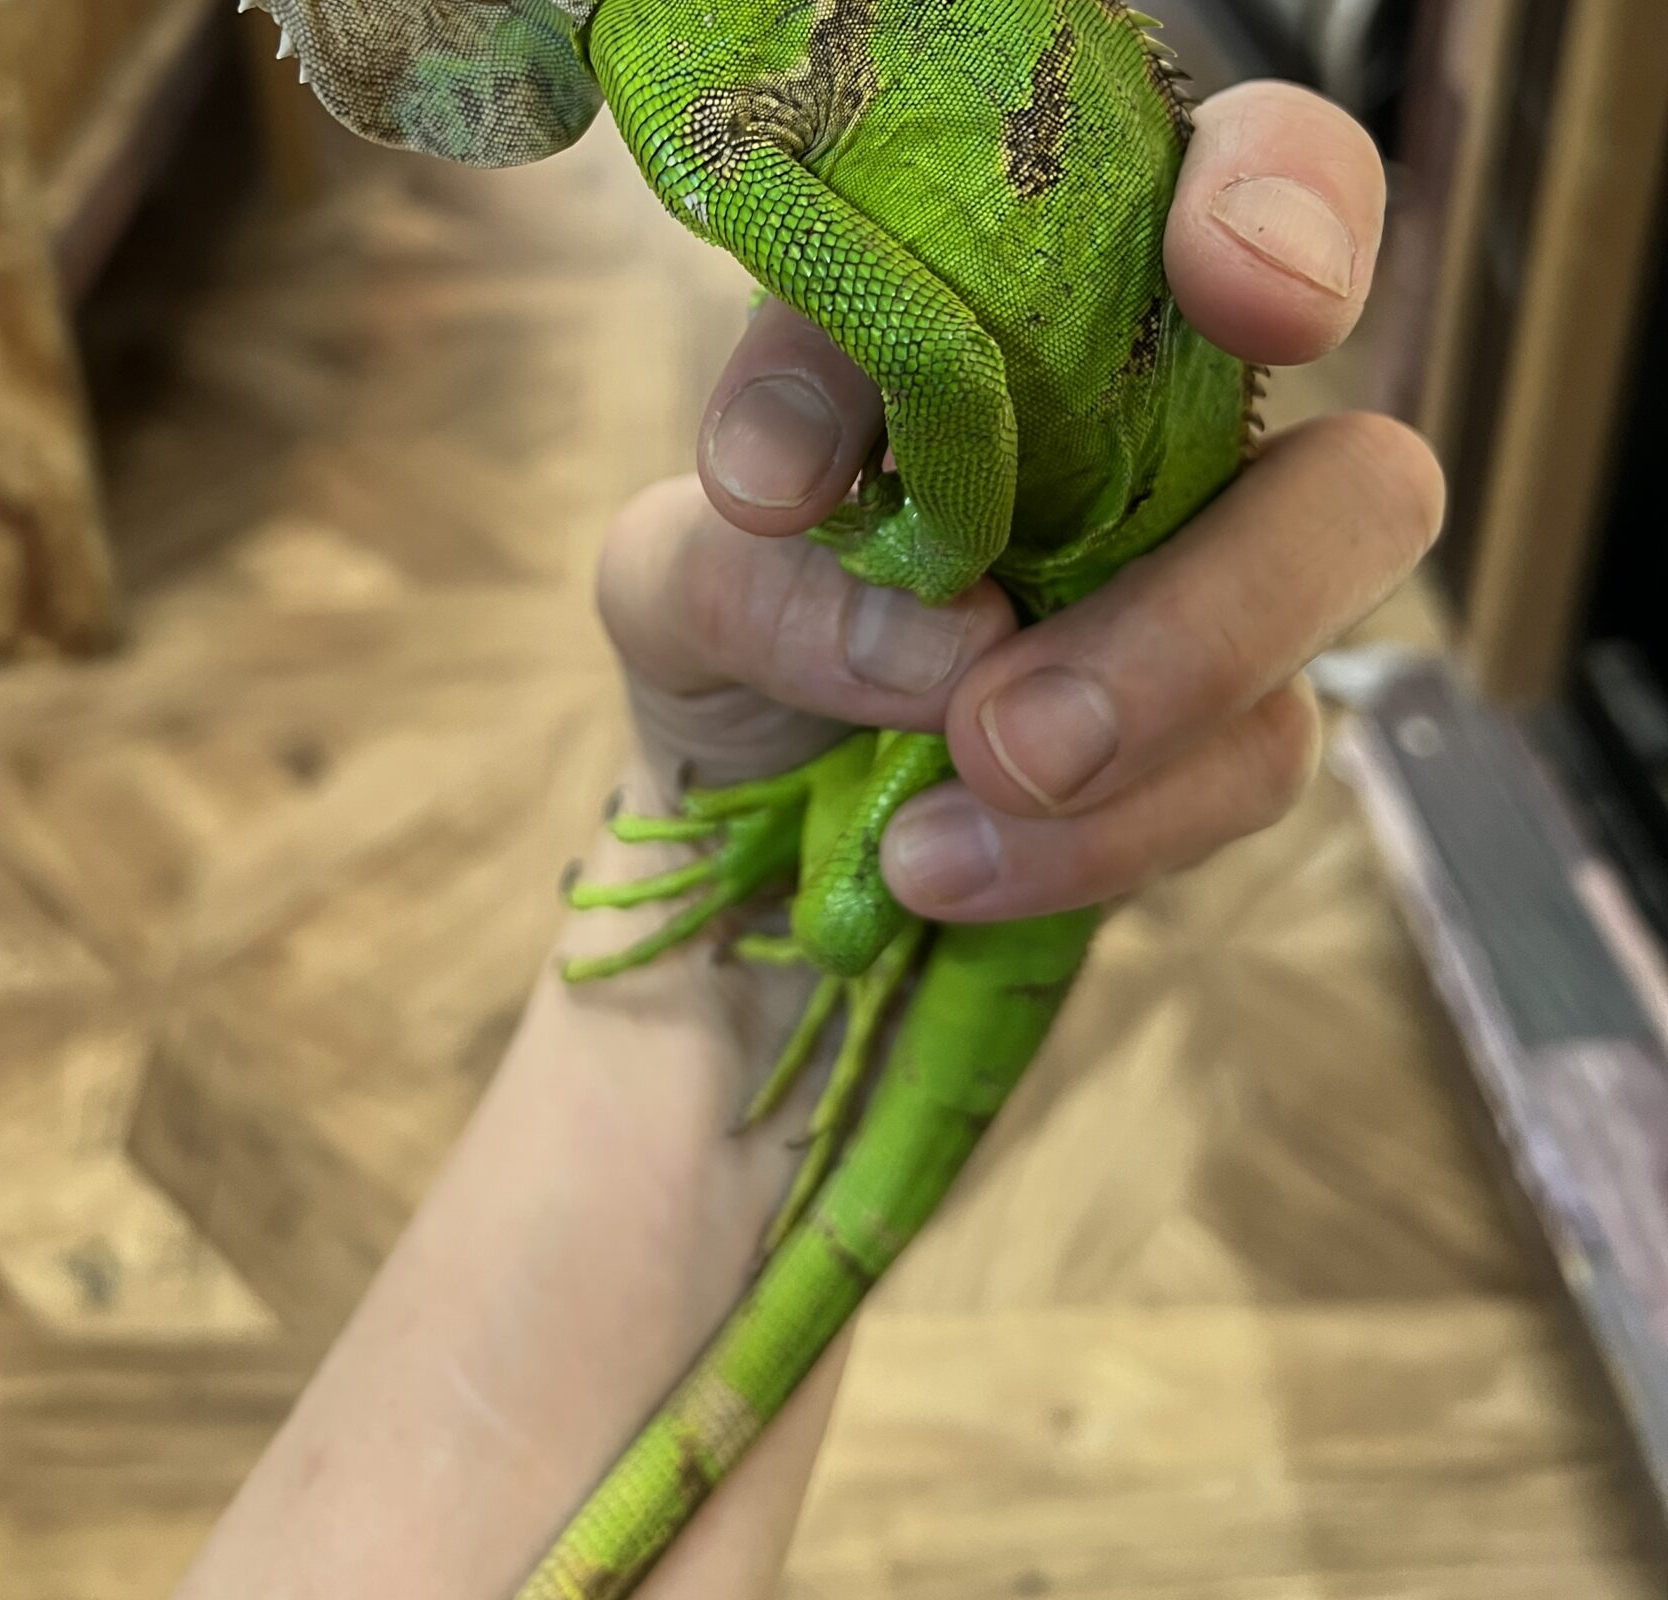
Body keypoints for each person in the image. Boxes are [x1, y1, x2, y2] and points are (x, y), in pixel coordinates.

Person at [176, 80, 1445, 1600]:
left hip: (966, 748)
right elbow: (928, 358)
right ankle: (807, 848)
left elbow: (936, 361)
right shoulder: (685, 54)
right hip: (961, 734)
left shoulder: (686, 72)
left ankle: (810, 854)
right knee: (846, 904)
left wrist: (916, 559)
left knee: (843, 914)